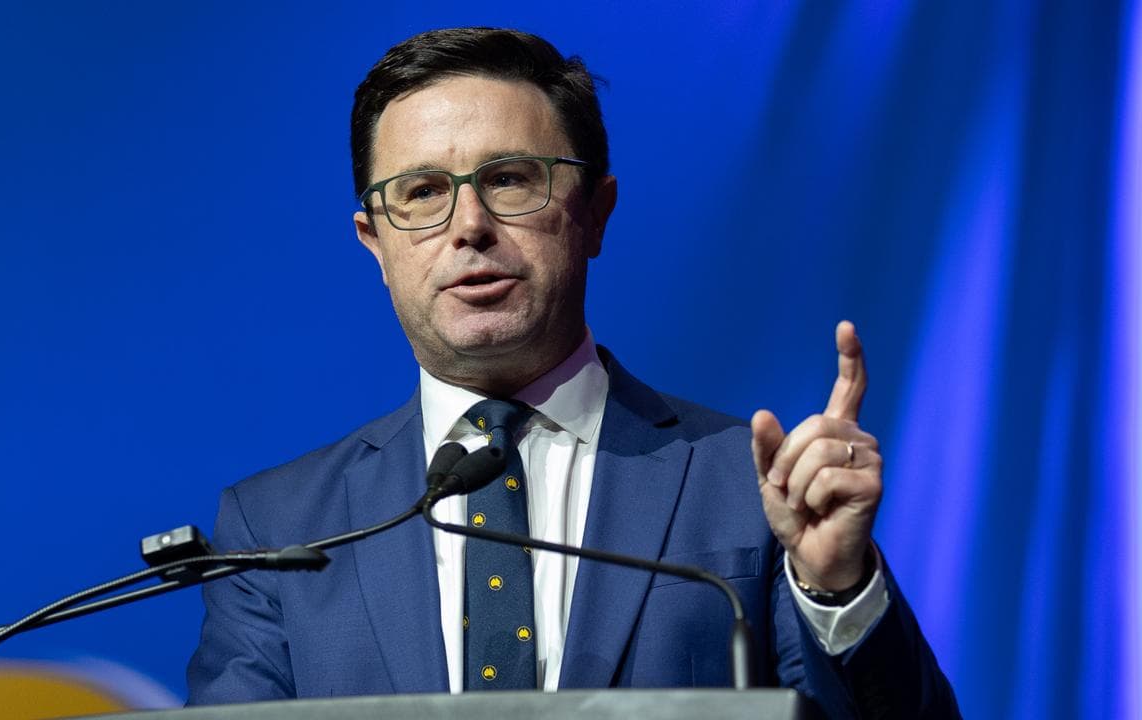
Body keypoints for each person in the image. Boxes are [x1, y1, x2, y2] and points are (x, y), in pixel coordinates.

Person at [187, 27, 959, 717]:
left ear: (595, 212)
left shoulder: (748, 487)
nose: (469, 227)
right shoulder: (278, 533)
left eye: (510, 179)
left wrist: (838, 592)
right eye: (421, 193)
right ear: (374, 242)